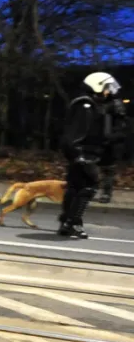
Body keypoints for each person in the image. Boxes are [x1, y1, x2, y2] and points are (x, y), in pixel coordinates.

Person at [58, 72, 122, 238]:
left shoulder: (91, 105)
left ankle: (68, 222)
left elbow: (103, 134)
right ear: (97, 86)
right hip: (83, 154)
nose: (109, 92)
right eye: (107, 88)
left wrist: (113, 116)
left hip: (85, 154)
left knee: (75, 187)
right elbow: (76, 134)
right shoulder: (85, 105)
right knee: (88, 187)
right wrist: (78, 155)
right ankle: (72, 222)